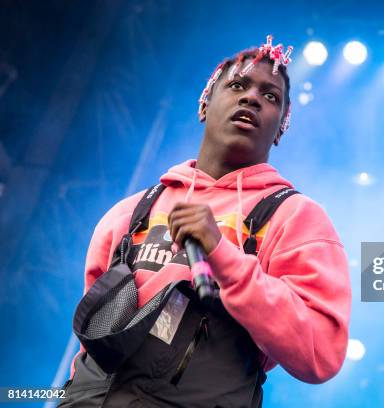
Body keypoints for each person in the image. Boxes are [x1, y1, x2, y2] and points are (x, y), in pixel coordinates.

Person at [60, 35, 351, 407]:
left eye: (271, 96)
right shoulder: (131, 212)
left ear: (280, 129)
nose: (251, 98)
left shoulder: (295, 218)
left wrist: (223, 256)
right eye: (237, 85)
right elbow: (91, 338)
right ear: (204, 105)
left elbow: (321, 353)